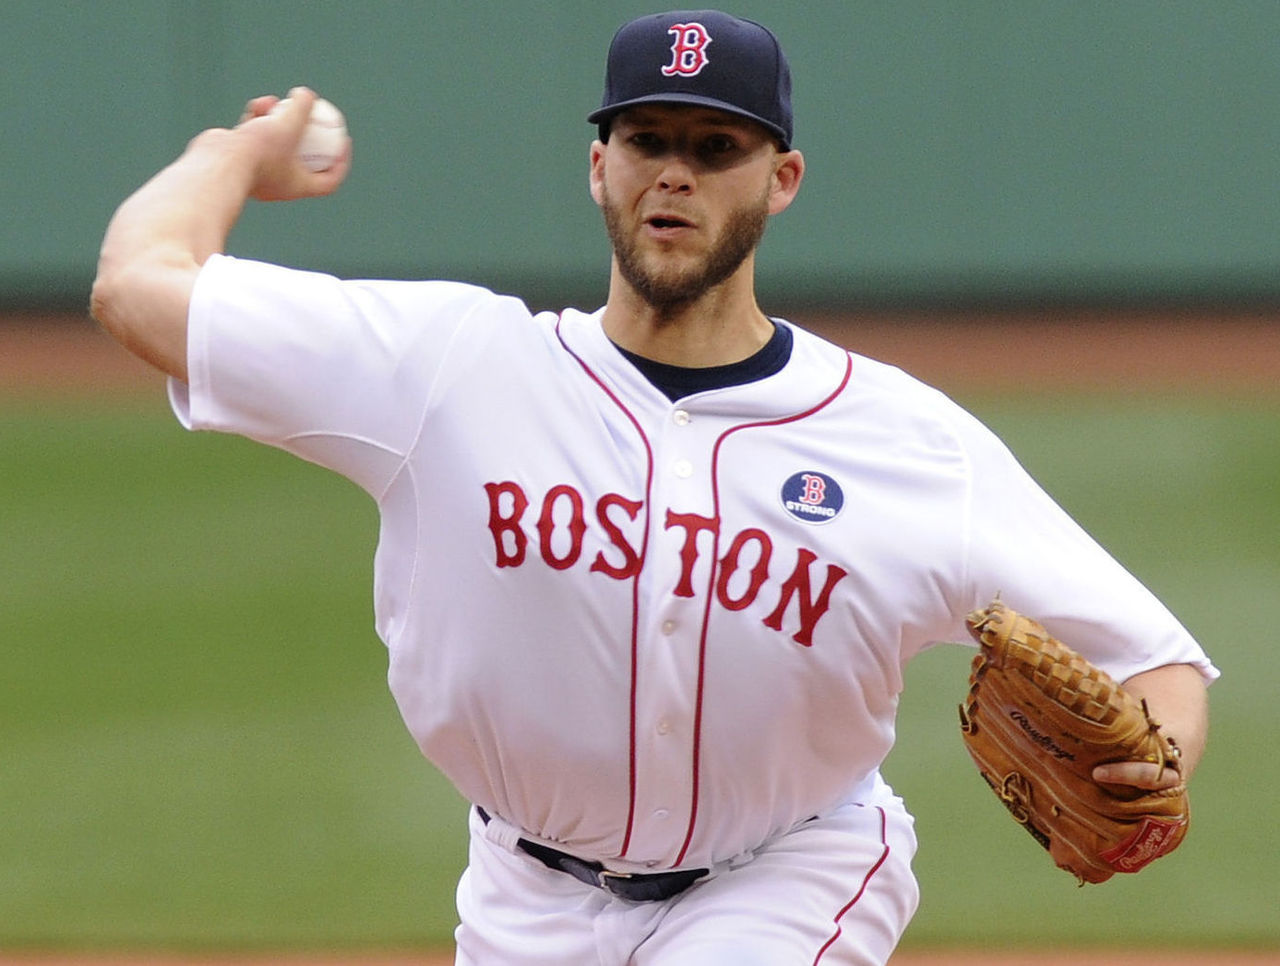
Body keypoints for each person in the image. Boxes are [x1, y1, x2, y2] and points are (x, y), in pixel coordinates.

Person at [91, 10, 1215, 965]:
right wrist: (230, 157)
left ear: (779, 181)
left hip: (790, 874)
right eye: (646, 138)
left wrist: (1150, 763)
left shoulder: (907, 442)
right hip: (520, 895)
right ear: (599, 165)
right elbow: (139, 288)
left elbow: (1154, 660)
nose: (673, 171)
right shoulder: (449, 370)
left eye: (714, 145)